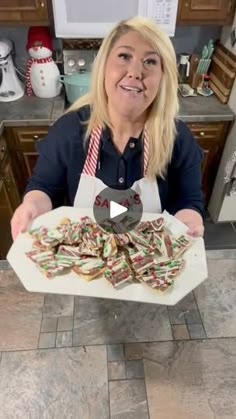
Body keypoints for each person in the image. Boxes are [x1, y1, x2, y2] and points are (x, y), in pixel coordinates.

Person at [11, 16, 205, 240]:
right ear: (103, 66)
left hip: (150, 266)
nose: (135, 72)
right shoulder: (70, 130)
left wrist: (190, 222)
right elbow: (44, 188)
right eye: (124, 56)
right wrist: (32, 206)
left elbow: (188, 202)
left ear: (164, 76)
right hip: (84, 263)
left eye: (150, 61)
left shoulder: (177, 139)